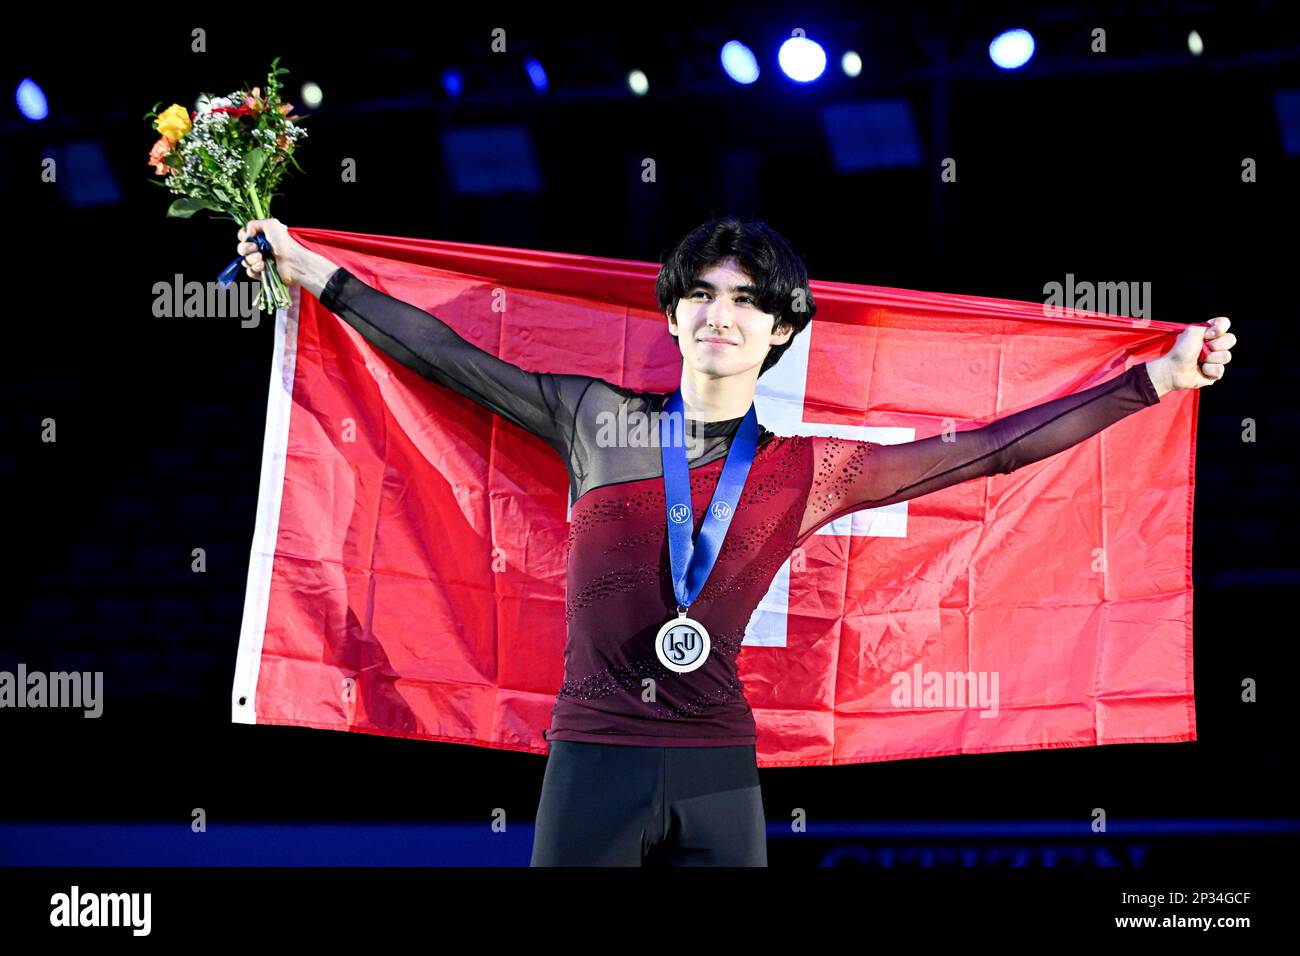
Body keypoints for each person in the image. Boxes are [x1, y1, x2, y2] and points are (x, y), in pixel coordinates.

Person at [235, 216, 1235, 866]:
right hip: (591, 759)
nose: (722, 313)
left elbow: (989, 451)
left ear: (780, 332)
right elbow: (440, 353)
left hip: (720, 769)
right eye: (703, 294)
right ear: (673, 314)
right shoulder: (596, 420)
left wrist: (1155, 379)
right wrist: (308, 268)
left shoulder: (811, 470)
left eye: (747, 300)